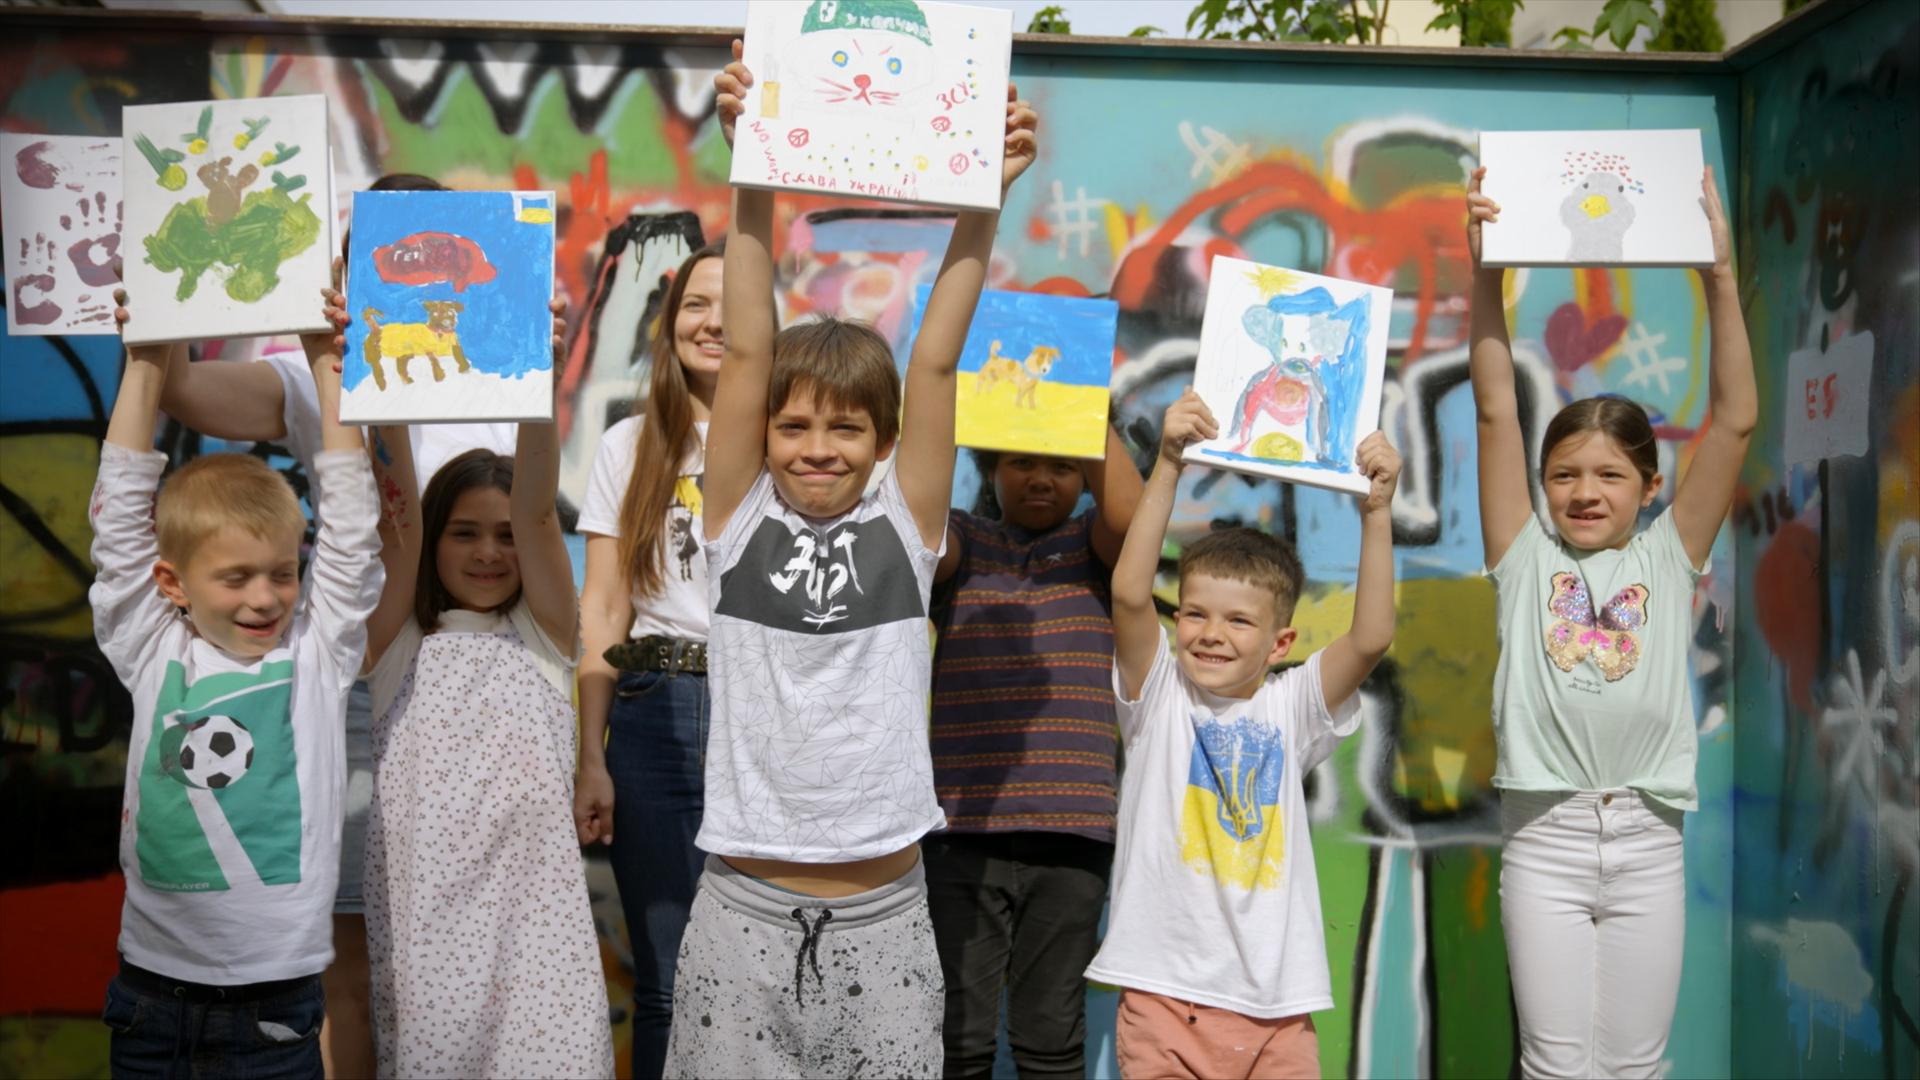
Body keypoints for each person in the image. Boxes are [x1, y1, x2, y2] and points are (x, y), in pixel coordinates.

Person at [656, 42, 1035, 1079]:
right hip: (740, 918)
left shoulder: (905, 525)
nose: (817, 448)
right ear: (761, 434)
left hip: (884, 923)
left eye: (847, 430)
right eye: (794, 427)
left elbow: (938, 357)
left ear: (882, 442)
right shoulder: (734, 514)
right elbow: (745, 346)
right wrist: (755, 163)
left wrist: (984, 197)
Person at [1467, 166, 1754, 1078]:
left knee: (1635, 1067)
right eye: (1564, 475)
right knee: (1555, 1064)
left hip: (1647, 837)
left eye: (1609, 475)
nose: (1584, 492)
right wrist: (1484, 275)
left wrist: (1718, 276)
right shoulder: (1524, 556)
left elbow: (1736, 422)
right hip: (1543, 838)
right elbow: (1492, 409)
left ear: (1650, 485)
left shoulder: (1670, 555)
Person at [92, 279, 380, 1080]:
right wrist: (147, 358)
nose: (266, 597)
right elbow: (117, 520)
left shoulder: (315, 657)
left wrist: (329, 363)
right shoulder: (152, 648)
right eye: (237, 578)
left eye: (283, 574)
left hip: (274, 1018)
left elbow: (353, 530)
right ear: (173, 584)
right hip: (149, 1005)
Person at [1088, 390, 1400, 1080]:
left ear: (1280, 641)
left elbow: (1372, 636)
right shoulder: (1158, 695)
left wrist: (1376, 515)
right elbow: (1131, 594)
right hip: (1164, 1001)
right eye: (1196, 613)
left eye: (1238, 621)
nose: (1211, 633)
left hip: (1276, 1010)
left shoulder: (1294, 708)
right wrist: (1168, 462)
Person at [357, 303, 613, 1079]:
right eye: (465, 532)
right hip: (424, 920)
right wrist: (373, 377)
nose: (489, 551)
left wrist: (542, 376)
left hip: (535, 920)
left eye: (503, 536)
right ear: (435, 541)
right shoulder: (399, 642)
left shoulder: (541, 635)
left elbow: (538, 511)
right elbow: (394, 519)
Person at [924, 435, 1142, 1078]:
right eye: (1021, 462)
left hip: (1071, 834)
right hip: (963, 833)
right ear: (991, 470)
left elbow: (1129, 520)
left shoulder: (1093, 551)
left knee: (1049, 1037)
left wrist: (1080, 401)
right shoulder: (960, 543)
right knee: (957, 1038)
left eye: (1063, 465)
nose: (1041, 479)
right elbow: (921, 525)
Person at [572, 239, 725, 1080]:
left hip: (760, 712)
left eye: (740, 306)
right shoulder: (630, 445)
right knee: (668, 981)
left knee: (766, 973)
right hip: (650, 708)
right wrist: (590, 754)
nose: (716, 322)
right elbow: (603, 606)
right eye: (699, 303)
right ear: (670, 323)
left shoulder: (794, 441)